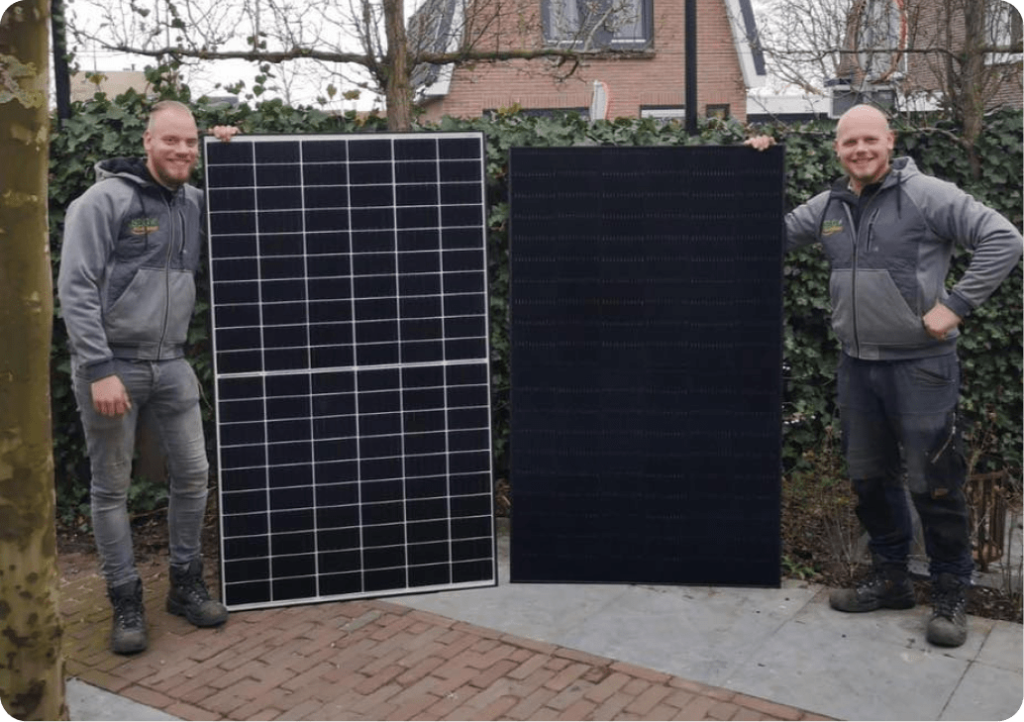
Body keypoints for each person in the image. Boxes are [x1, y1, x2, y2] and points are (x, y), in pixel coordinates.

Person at [747, 105, 1023, 647]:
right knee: (870, 480)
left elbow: (1004, 238)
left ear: (889, 141)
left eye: (870, 140)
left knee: (935, 483)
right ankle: (892, 578)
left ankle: (949, 592)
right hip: (857, 364)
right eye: (850, 143)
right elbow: (767, 237)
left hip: (922, 366)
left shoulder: (928, 195)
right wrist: (753, 172)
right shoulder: (829, 205)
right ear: (837, 149)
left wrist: (957, 305)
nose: (860, 150)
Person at [59, 100, 238, 654]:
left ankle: (184, 585)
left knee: (193, 475)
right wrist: (98, 369)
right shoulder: (101, 202)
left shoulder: (195, 203)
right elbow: (77, 289)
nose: (182, 151)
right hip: (113, 366)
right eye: (171, 141)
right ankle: (125, 597)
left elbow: (254, 209)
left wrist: (235, 155)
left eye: (190, 142)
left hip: (173, 363)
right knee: (111, 489)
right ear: (147, 141)